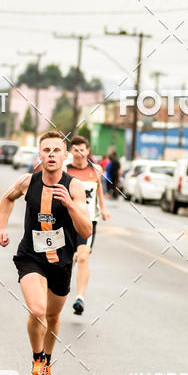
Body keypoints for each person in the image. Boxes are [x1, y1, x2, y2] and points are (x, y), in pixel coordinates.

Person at [0, 131, 91, 375]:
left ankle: (47, 362)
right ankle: (37, 359)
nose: (51, 155)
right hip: (31, 256)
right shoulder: (27, 181)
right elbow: (6, 198)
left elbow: (86, 231)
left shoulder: (75, 187)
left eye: (56, 151)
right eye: (46, 150)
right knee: (37, 310)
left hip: (61, 260)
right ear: (39, 155)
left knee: (53, 315)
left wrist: (70, 205)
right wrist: (1, 228)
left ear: (65, 156)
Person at [66, 135, 110, 315]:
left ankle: (80, 299)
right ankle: (60, 290)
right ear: (71, 152)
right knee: (68, 259)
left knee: (83, 256)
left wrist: (103, 209)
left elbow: (99, 189)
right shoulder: (65, 170)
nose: (78, 153)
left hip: (88, 220)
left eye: (81, 149)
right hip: (67, 220)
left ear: (87, 151)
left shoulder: (96, 170)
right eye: (75, 149)